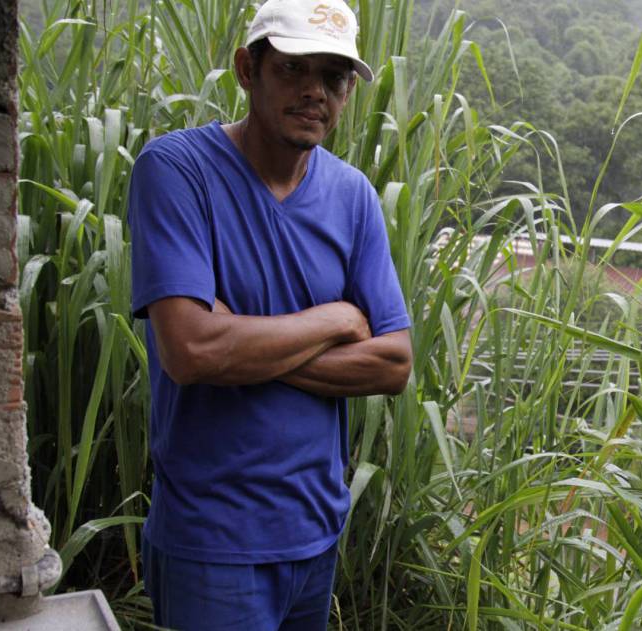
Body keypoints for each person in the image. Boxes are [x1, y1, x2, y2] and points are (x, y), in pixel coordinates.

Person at [127, 1, 412, 628]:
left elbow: (393, 363)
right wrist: (337, 319)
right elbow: (192, 353)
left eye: (334, 77)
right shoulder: (177, 172)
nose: (315, 91)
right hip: (212, 542)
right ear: (246, 69)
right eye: (292, 68)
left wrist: (239, 344)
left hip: (315, 533)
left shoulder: (353, 195)